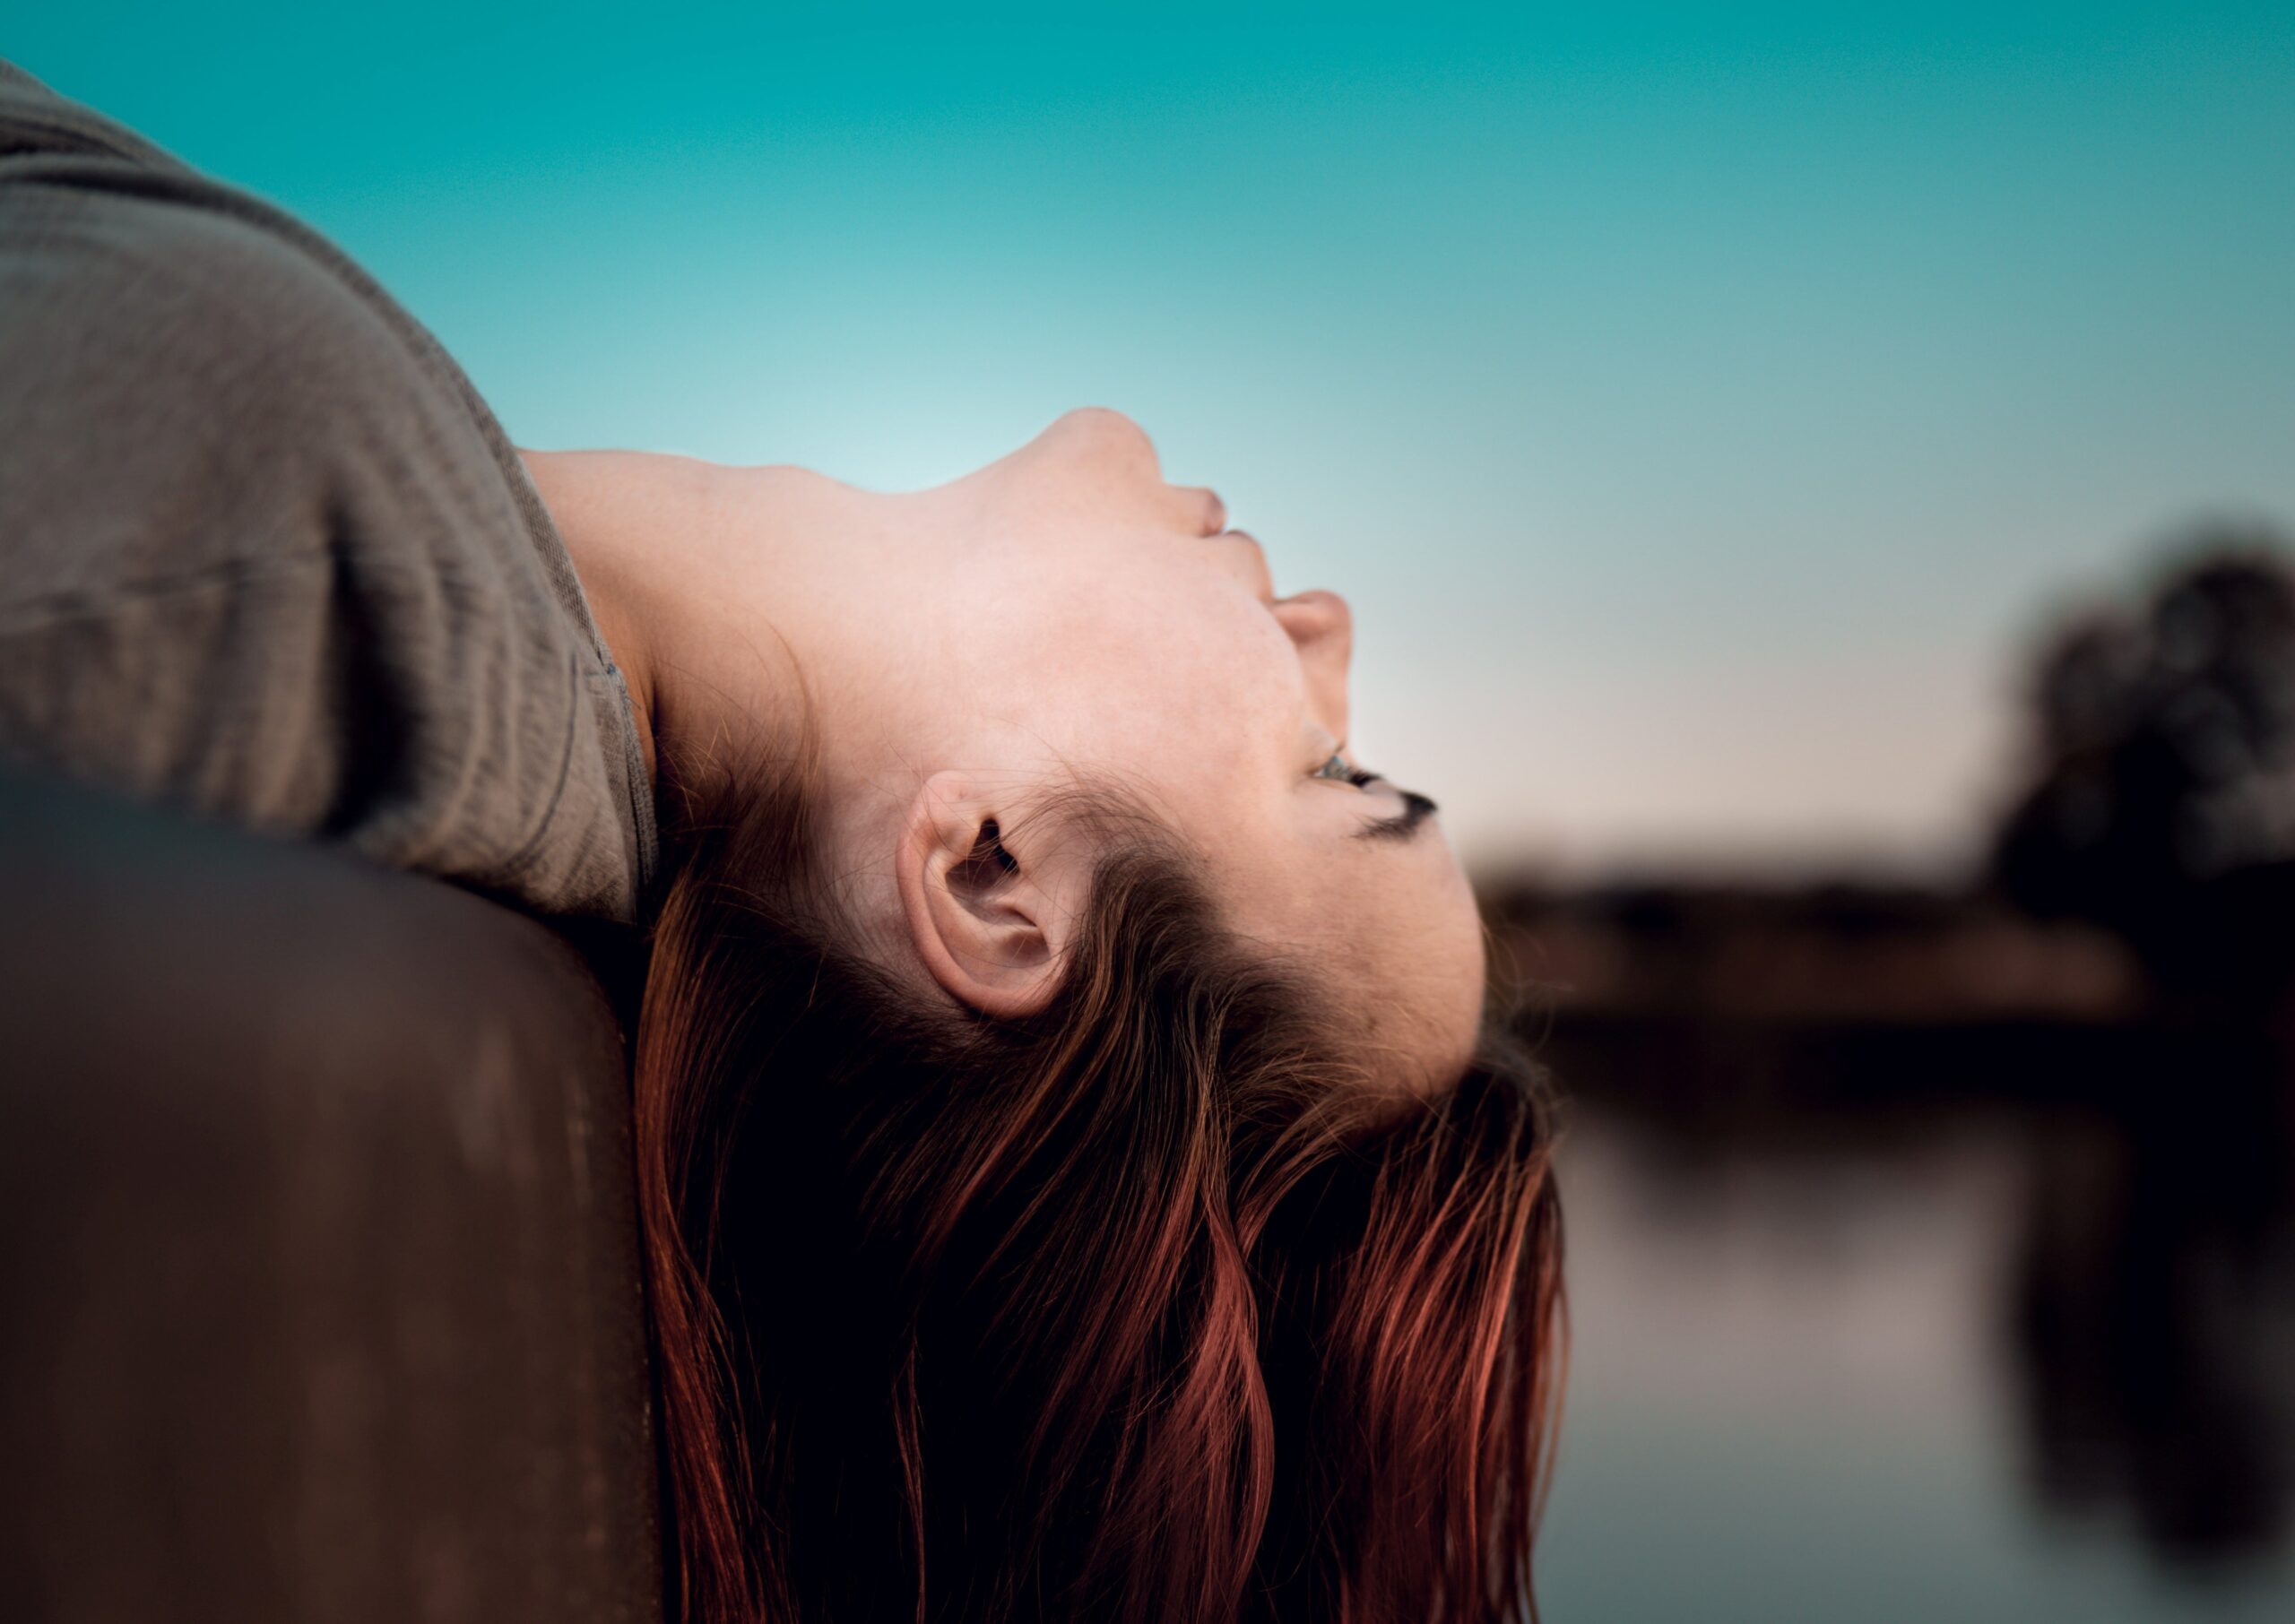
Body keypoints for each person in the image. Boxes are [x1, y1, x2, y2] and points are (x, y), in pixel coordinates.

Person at [0, 59, 1565, 1624]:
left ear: (995, 879)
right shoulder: (373, 559)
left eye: (1339, 772)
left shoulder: (280, 525)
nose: (1326, 625)